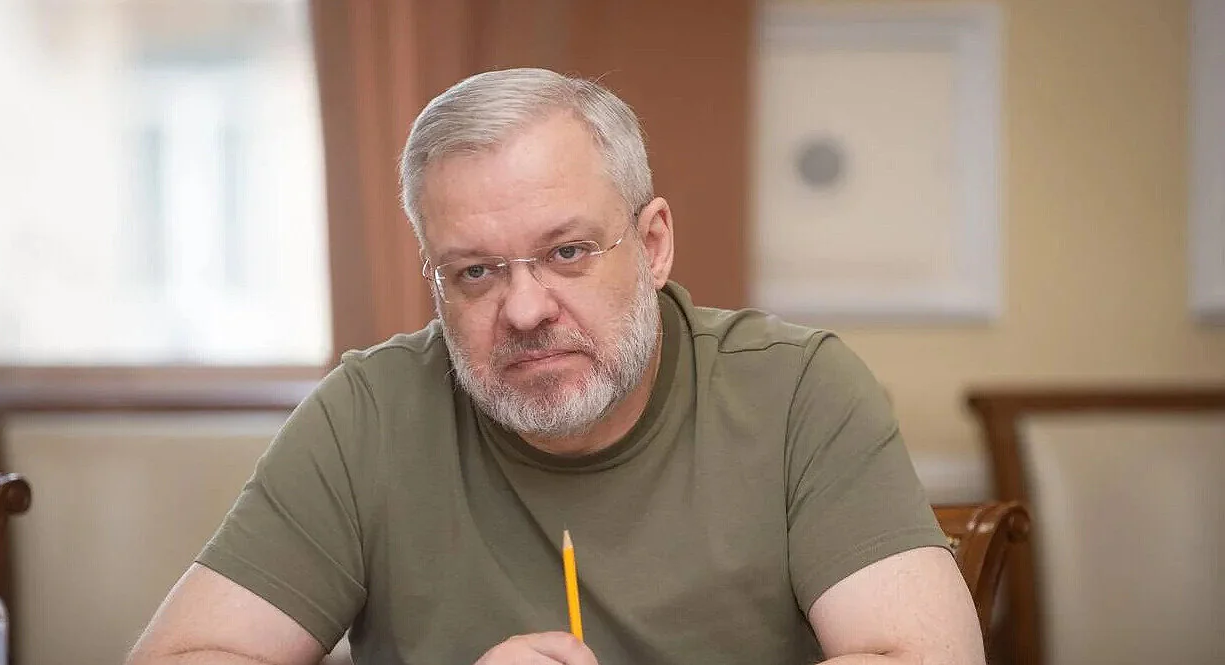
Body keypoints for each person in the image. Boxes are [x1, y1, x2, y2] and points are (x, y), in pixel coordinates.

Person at [128, 68, 984, 665]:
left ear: (652, 244)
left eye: (567, 251)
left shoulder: (798, 391)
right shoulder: (369, 412)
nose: (525, 309)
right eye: (475, 271)